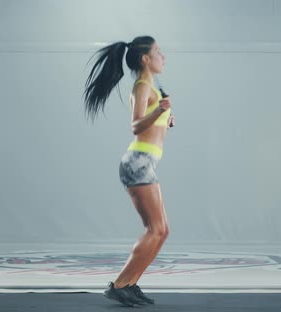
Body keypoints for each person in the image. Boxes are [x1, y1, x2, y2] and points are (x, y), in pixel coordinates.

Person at [83, 35, 175, 307]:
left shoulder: (150, 85)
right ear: (145, 59)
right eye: (159, 51)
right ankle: (119, 285)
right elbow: (135, 125)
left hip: (145, 162)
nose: (163, 56)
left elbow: (150, 123)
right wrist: (158, 109)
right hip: (137, 163)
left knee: (161, 230)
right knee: (155, 229)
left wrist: (164, 119)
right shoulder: (142, 85)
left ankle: (130, 283)